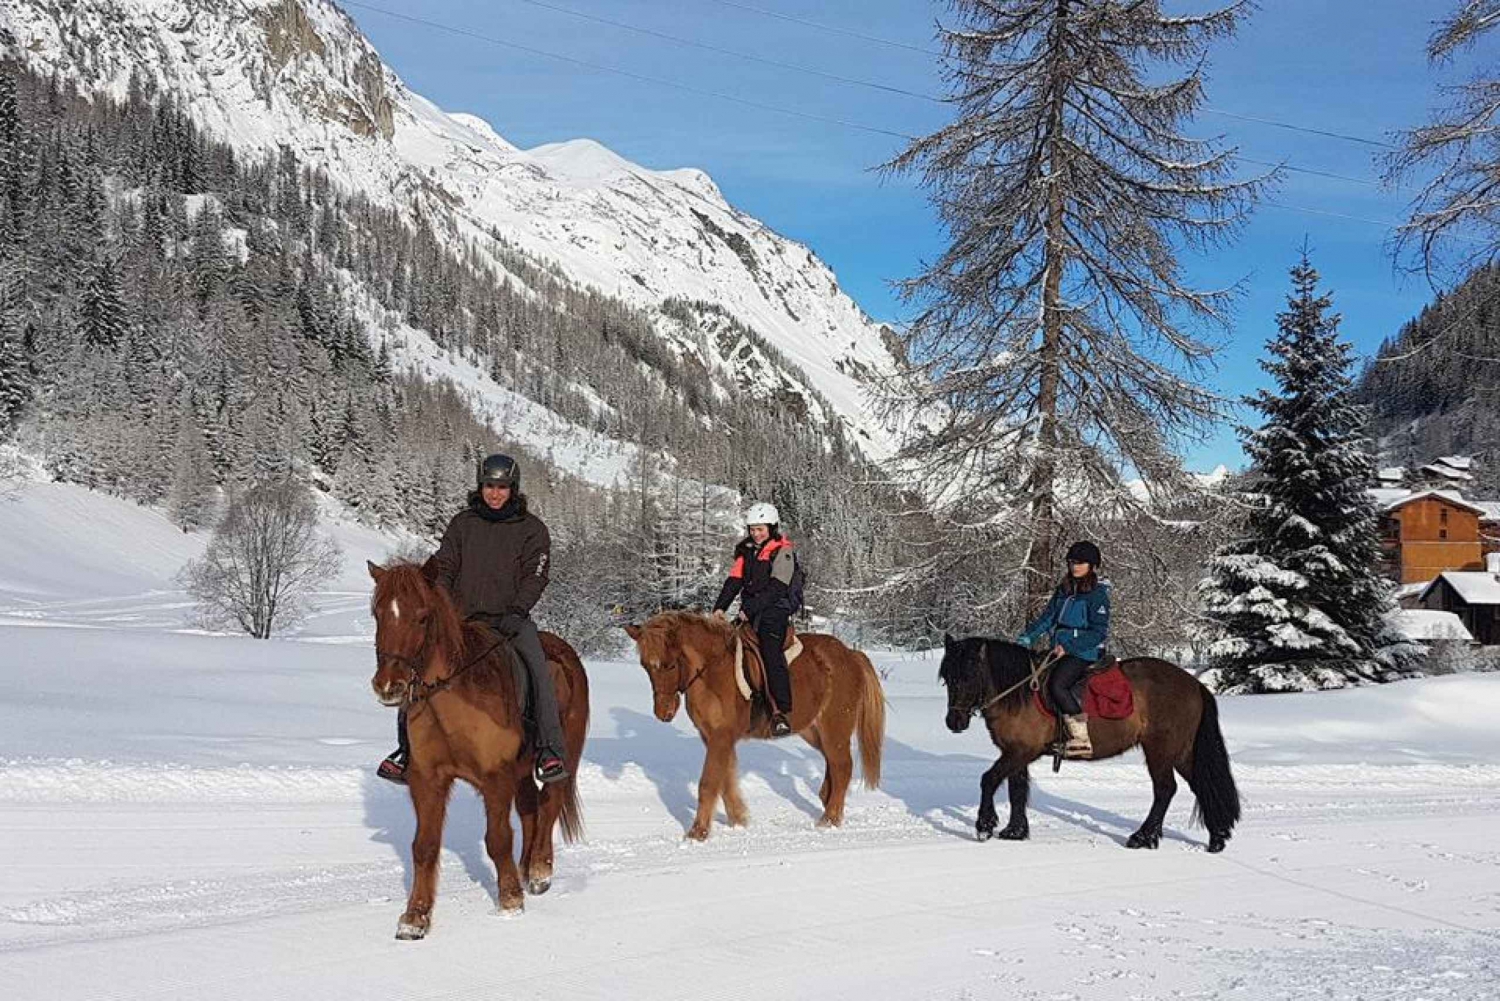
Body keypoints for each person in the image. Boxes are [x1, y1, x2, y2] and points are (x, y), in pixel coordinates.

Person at [377, 453, 569, 785]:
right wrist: (447, 607)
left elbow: (535, 576)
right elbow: (446, 566)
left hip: (510, 620)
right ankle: (405, 752)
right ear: (480, 487)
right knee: (416, 664)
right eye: (489, 486)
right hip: (462, 619)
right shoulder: (462, 524)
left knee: (537, 666)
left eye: (502, 487)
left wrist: (517, 611)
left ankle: (548, 749)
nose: (495, 493)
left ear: (513, 489)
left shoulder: (532, 530)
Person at [712, 502, 804, 738]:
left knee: (769, 650)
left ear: (772, 528)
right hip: (752, 609)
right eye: (752, 529)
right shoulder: (747, 551)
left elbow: (777, 587)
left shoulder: (782, 551)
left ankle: (780, 712)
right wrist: (720, 608)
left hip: (776, 609)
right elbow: (734, 581)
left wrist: (750, 609)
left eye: (760, 529)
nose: (756, 533)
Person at [1016, 541, 1110, 758]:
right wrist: (1028, 636)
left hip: (1083, 652)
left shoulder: (1097, 595)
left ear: (1092, 565)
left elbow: (1098, 632)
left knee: (1059, 685)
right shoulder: (1064, 590)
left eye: (1080, 563)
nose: (1075, 566)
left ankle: (1080, 738)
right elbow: (1048, 618)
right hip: (1058, 649)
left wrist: (1068, 647)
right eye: (1072, 562)